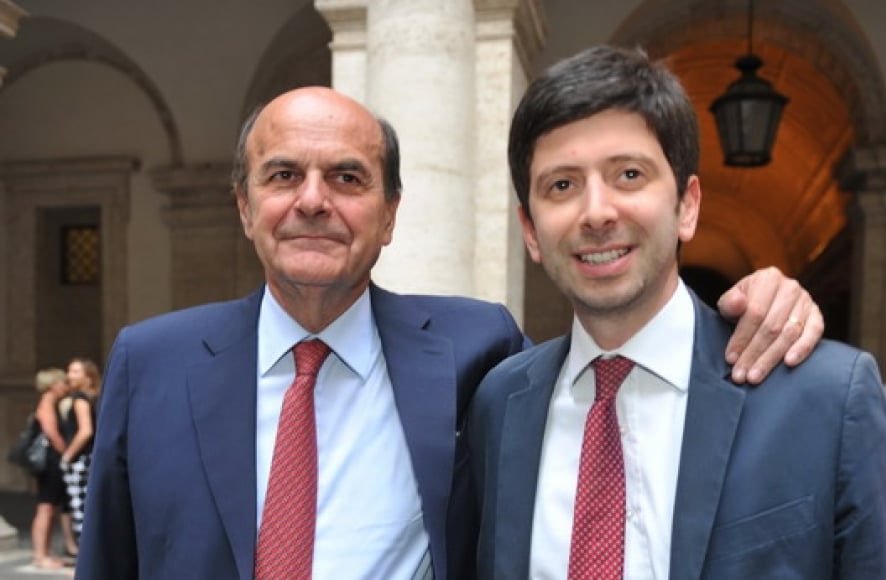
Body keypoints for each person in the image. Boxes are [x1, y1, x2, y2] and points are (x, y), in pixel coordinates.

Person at [76, 85, 823, 579]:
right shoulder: (152, 362)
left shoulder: (477, 349)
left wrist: (762, 298)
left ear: (390, 214)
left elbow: (616, 372)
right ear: (245, 207)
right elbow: (107, 562)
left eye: (347, 178)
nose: (312, 201)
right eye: (282, 176)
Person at [467, 46, 886, 579]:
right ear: (529, 231)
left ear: (687, 205)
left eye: (628, 174)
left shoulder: (827, 398)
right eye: (561, 185)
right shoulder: (499, 405)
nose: (597, 212)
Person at [29, 367, 79, 569]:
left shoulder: (53, 403)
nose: (65, 386)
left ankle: (45, 553)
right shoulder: (47, 403)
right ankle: (40, 555)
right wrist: (66, 454)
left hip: (53, 460)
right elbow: (51, 433)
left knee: (50, 507)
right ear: (53, 385)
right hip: (51, 461)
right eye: (62, 382)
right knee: (46, 506)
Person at [60, 357, 100, 546]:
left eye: (75, 371)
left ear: (88, 376)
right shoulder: (97, 397)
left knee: (81, 509)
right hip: (94, 457)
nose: (69, 376)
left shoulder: (80, 399)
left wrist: (67, 456)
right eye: (69, 371)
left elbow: (85, 431)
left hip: (81, 460)